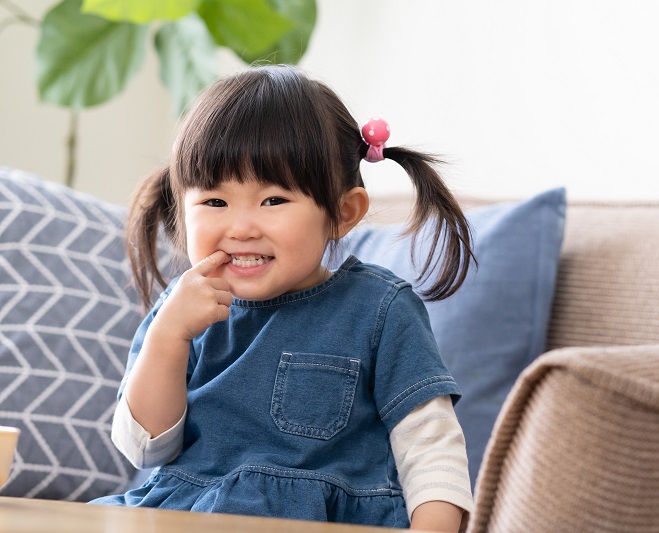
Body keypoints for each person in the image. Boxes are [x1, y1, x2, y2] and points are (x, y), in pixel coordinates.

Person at [90, 65, 476, 532]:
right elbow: (146, 448)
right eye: (215, 202)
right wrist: (167, 336)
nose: (241, 227)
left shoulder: (379, 309)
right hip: (188, 515)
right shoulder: (184, 307)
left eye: (273, 200)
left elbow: (431, 448)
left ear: (342, 213)